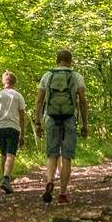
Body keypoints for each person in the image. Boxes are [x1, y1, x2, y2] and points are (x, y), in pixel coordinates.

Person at [36, 49, 88, 205]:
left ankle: (50, 180)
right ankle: (63, 194)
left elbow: (39, 101)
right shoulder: (76, 76)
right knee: (67, 157)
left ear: (57, 60)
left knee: (52, 154)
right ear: (70, 61)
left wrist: (38, 122)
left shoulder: (47, 76)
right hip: (69, 118)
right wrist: (85, 124)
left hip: (51, 118)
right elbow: (83, 101)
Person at [0, 72, 29, 193]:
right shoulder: (18, 96)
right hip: (13, 127)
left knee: (3, 155)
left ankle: (5, 181)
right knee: (11, 154)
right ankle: (6, 180)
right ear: (14, 82)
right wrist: (22, 134)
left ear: (4, 81)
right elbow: (22, 116)